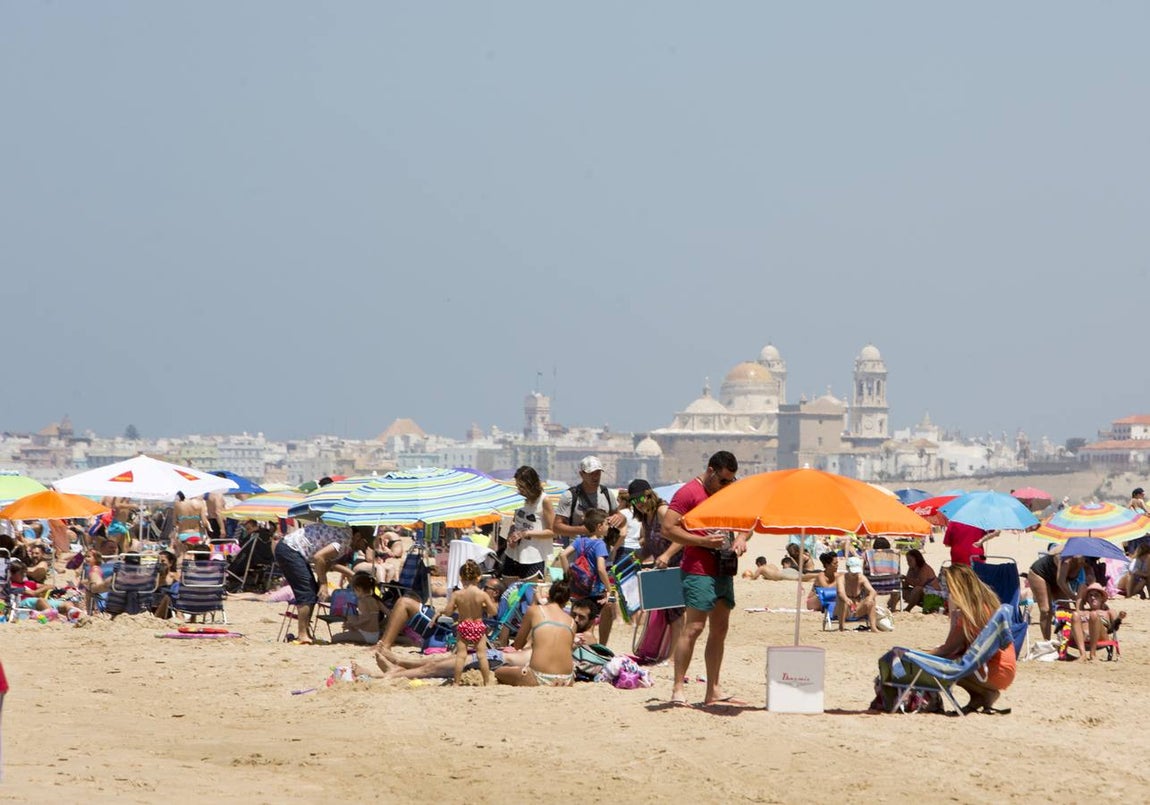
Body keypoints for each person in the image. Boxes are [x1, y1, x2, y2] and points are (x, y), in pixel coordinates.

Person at [662, 450, 746, 708]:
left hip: (724, 566)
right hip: (698, 567)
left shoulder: (728, 492)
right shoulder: (688, 493)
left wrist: (742, 539)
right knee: (694, 627)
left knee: (720, 629)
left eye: (730, 481)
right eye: (723, 480)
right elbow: (668, 528)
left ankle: (713, 690)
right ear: (710, 471)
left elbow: (748, 520)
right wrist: (701, 541)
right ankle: (678, 687)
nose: (726, 485)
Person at [877, 564, 1016, 714]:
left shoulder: (969, 614)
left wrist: (914, 657)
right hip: (1005, 668)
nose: (946, 590)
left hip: (991, 671)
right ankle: (981, 697)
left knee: (943, 662)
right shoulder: (987, 605)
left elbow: (948, 648)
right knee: (954, 658)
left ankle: (985, 693)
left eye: (948, 586)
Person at [273, 522, 372, 644]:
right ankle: (302, 634)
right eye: (363, 544)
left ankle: (305, 632)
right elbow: (319, 557)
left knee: (312, 592)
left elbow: (327, 562)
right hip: (290, 549)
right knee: (307, 593)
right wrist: (324, 584)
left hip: (291, 548)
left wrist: (321, 582)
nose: (361, 548)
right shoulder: (344, 540)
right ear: (357, 537)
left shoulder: (345, 536)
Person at [495, 577, 576, 687]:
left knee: (499, 671)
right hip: (567, 679)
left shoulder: (535, 611)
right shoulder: (571, 622)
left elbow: (518, 645)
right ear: (566, 602)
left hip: (539, 676)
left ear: (549, 595)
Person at [558, 508, 616, 644]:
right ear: (599, 526)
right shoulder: (600, 544)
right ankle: (599, 647)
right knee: (592, 623)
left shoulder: (580, 540)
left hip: (578, 589)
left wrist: (568, 577)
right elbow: (601, 569)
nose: (609, 527)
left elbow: (563, 555)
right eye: (607, 524)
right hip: (594, 591)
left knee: (578, 620)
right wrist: (610, 590)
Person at [438, 560, 497, 685]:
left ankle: (456, 682)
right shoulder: (482, 594)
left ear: (461, 578)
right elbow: (493, 611)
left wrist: (453, 608)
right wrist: (484, 607)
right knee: (482, 655)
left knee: (461, 655)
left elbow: (448, 612)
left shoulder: (457, 594)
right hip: (477, 625)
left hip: (464, 625)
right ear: (478, 577)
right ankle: (486, 682)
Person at [553, 456, 623, 546]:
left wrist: (618, 518)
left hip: (602, 552)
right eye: (591, 473)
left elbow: (619, 516)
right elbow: (556, 527)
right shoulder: (570, 496)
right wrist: (583, 529)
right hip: (577, 553)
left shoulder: (607, 494)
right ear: (582, 474)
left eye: (598, 473)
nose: (595, 477)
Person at [1028, 546, 1092, 641]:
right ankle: (1047, 642)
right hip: (1040, 574)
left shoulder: (1084, 565)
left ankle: (1063, 644)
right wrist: (1072, 597)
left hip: (1057, 580)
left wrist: (1079, 603)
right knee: (1046, 610)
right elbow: (1061, 582)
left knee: (1065, 610)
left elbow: (1082, 586)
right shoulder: (1066, 560)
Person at [503, 465, 555, 580]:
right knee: (509, 590)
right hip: (513, 552)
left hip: (534, 555)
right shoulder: (519, 498)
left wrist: (527, 533)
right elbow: (514, 522)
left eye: (522, 486)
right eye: (518, 486)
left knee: (529, 592)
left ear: (531, 484)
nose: (520, 490)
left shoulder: (544, 500)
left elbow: (552, 532)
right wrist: (510, 535)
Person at [1070, 582, 1125, 661]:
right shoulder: (1082, 612)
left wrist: (1119, 618)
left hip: (1101, 636)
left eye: (1096, 595)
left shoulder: (1109, 612)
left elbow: (1114, 628)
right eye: (1090, 596)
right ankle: (1083, 655)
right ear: (1087, 600)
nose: (1093, 598)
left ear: (1102, 598)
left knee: (1094, 615)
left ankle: (1093, 654)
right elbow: (1081, 590)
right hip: (1081, 636)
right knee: (1075, 614)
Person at [332, 572, 387, 645]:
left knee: (335, 637)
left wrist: (353, 624)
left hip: (366, 635)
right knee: (352, 617)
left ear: (359, 589)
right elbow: (390, 614)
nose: (354, 593)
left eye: (354, 590)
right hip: (375, 634)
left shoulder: (362, 601)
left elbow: (367, 618)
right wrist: (381, 625)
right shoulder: (376, 599)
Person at [837, 555, 878, 631]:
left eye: (856, 572)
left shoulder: (861, 578)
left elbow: (872, 591)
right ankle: (841, 627)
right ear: (847, 568)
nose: (855, 574)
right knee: (843, 601)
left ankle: (873, 627)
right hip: (845, 609)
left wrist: (870, 598)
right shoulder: (841, 578)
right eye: (853, 572)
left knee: (871, 600)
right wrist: (846, 598)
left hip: (858, 607)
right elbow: (840, 592)